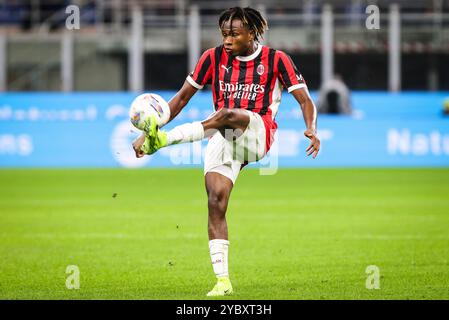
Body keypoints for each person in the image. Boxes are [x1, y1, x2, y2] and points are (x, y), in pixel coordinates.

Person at [132, 6, 320, 297]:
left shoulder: (276, 59)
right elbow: (181, 99)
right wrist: (148, 130)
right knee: (215, 200)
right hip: (223, 135)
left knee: (226, 114)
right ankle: (222, 281)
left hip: (258, 131)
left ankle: (163, 141)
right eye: (224, 34)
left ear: (252, 33)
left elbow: (305, 100)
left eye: (234, 34)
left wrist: (311, 128)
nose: (228, 40)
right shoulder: (212, 57)